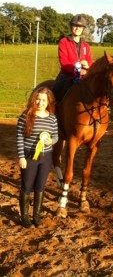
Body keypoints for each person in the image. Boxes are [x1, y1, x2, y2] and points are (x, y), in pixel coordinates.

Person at [16, 87, 58, 228]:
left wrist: (51, 141)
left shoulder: (52, 118)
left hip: (45, 157)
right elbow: (19, 137)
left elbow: (56, 136)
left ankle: (36, 215)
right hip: (29, 156)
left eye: (44, 100)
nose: (40, 102)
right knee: (27, 186)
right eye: (38, 99)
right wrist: (21, 157)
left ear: (48, 101)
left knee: (40, 186)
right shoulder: (25, 116)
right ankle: (24, 216)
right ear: (34, 99)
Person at [53, 14, 93, 101]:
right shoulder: (64, 42)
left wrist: (87, 65)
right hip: (67, 75)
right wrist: (76, 69)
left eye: (80, 26)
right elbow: (64, 62)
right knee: (56, 89)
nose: (77, 28)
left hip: (84, 76)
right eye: (75, 26)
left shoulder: (86, 45)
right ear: (71, 27)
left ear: (83, 29)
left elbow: (90, 61)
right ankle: (54, 112)